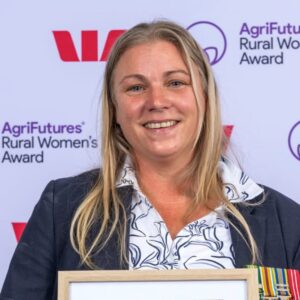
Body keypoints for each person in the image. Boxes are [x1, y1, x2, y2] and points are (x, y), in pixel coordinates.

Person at [1, 20, 299, 300]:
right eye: (136, 87)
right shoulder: (63, 208)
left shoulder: (287, 222)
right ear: (115, 109)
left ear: (205, 98)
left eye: (176, 83)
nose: (156, 102)